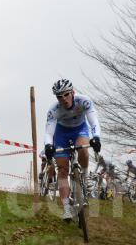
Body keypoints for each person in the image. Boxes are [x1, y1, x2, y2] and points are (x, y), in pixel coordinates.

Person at [43, 79, 102, 221]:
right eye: (59, 96)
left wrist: (96, 137)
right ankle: (66, 208)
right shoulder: (54, 110)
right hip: (61, 134)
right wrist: (48, 145)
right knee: (62, 169)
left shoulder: (84, 101)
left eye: (66, 94)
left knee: (83, 149)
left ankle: (85, 177)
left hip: (79, 130)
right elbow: (49, 132)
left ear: (73, 93)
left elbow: (93, 121)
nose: (63, 99)